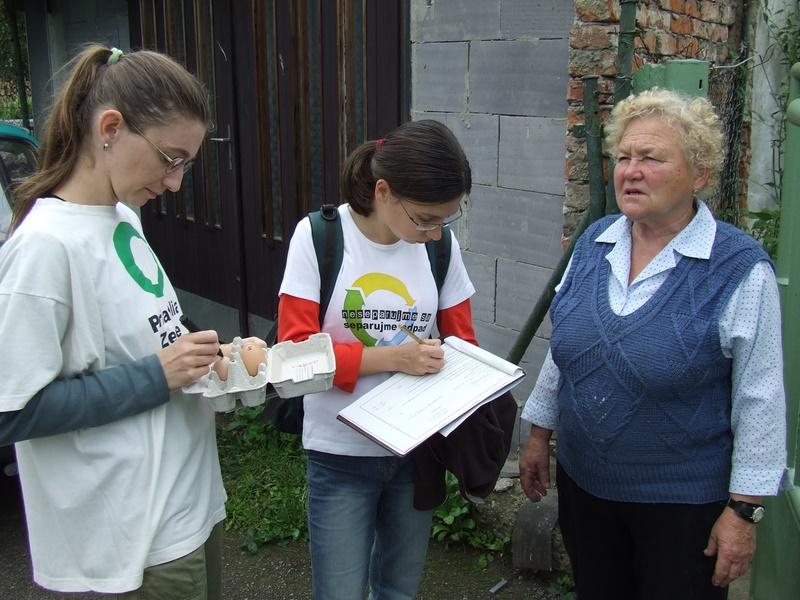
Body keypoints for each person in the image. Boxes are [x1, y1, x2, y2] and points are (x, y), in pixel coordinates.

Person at [519, 88, 787, 600]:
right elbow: (567, 349)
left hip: (682, 507)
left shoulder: (737, 268)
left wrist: (743, 511)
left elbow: (761, 398)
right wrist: (538, 434)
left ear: (700, 174)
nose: (631, 171)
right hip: (584, 488)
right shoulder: (595, 242)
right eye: (623, 157)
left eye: (651, 158)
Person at [0, 45, 227, 598]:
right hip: (132, 540)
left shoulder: (123, 216)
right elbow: (12, 412)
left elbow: (149, 334)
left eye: (186, 164)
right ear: (110, 128)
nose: (175, 182)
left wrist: (206, 358)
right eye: (170, 158)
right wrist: (158, 375)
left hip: (190, 505)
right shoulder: (44, 248)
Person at [278, 119, 476, 599]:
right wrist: (395, 359)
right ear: (383, 192)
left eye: (445, 220)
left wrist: (468, 374)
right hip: (339, 454)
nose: (435, 233)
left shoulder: (440, 250)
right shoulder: (320, 237)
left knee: (399, 591)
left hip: (415, 454)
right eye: (425, 219)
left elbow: (463, 344)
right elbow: (293, 357)